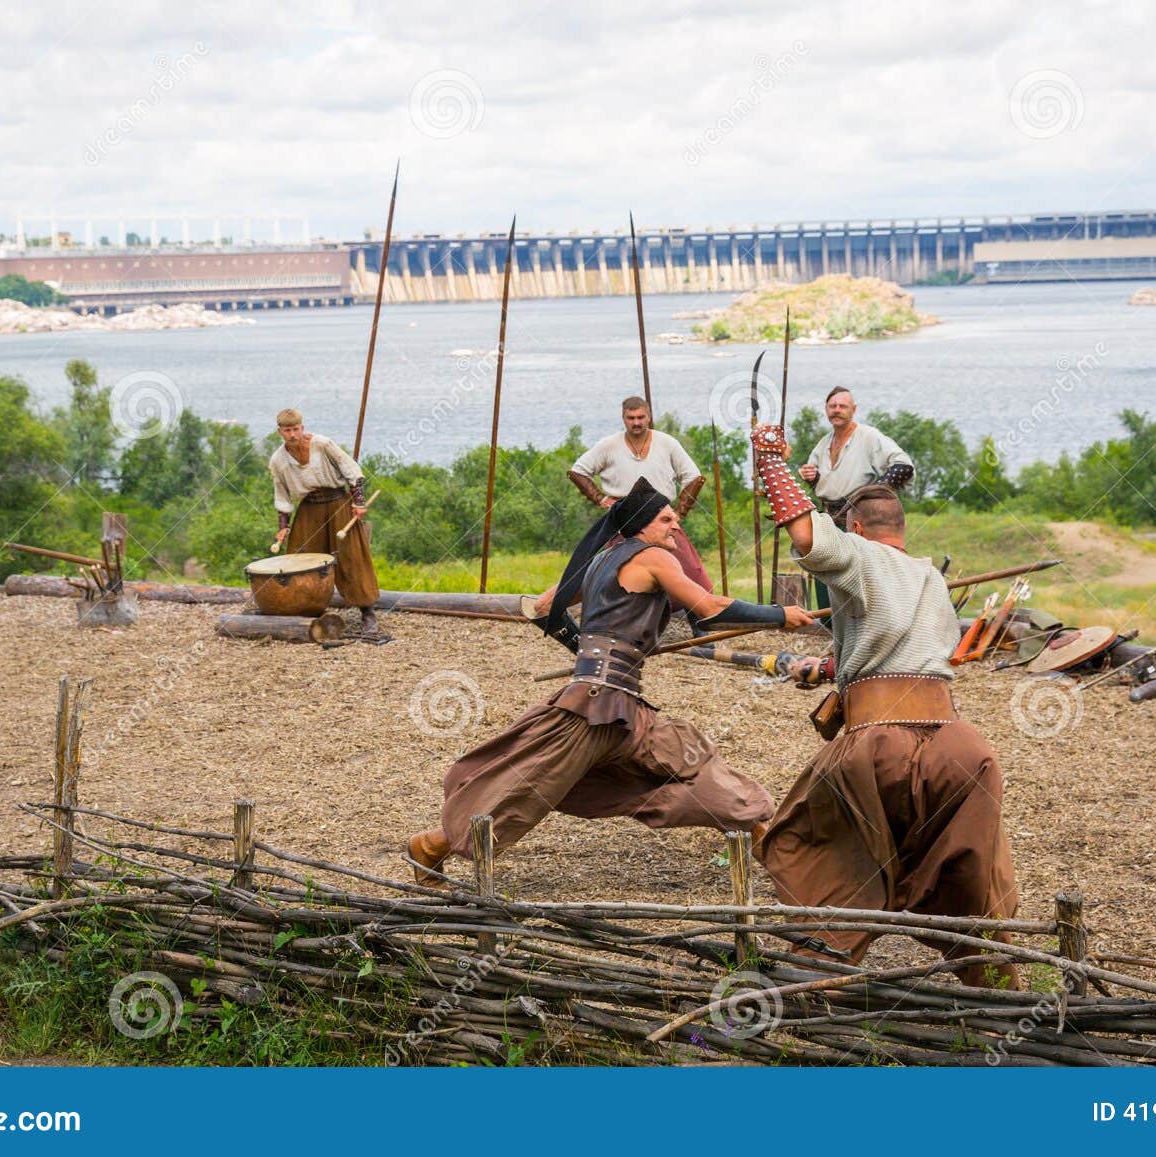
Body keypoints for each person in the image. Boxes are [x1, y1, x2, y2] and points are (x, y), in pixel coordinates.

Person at [407, 478, 814, 884]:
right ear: (643, 525)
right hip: (598, 707)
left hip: (616, 704)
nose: (676, 526)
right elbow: (709, 607)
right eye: (666, 518)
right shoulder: (653, 557)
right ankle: (431, 846)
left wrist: (593, 649)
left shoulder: (602, 560)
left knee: (688, 758)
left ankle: (766, 839)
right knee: (527, 785)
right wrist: (779, 615)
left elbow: (544, 608)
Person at [748, 423, 1021, 989]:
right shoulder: (929, 577)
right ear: (901, 528)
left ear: (854, 527)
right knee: (967, 865)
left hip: (880, 741)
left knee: (801, 837)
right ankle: (992, 981)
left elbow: (804, 535)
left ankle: (820, 965)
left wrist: (771, 459)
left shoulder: (859, 556)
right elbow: (901, 647)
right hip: (959, 745)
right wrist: (827, 669)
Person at [569, 396, 713, 594]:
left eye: (640, 417)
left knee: (691, 571)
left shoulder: (667, 443)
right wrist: (600, 498)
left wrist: (679, 512)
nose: (636, 422)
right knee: (612, 572)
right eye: (631, 418)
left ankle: (701, 618)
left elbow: (695, 477)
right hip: (624, 519)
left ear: (649, 416)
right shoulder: (608, 445)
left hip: (661, 515)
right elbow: (577, 472)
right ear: (623, 417)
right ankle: (609, 616)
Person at [797, 387, 915, 610]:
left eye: (842, 406)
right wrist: (812, 477)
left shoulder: (869, 437)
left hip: (860, 522)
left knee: (860, 578)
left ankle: (865, 626)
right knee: (826, 574)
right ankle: (830, 627)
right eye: (833, 406)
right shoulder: (824, 443)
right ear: (826, 410)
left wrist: (872, 494)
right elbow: (823, 483)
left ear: (853, 409)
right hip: (828, 521)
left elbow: (903, 466)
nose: (837, 410)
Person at [268, 408, 380, 635]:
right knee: (302, 560)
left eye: (296, 429)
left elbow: (352, 471)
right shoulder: (278, 460)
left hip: (338, 504)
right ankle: (308, 611)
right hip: (308, 510)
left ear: (302, 427)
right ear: (280, 432)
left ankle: (368, 613)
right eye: (287, 430)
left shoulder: (322, 444)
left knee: (352, 556)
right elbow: (282, 495)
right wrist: (283, 527)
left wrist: (358, 502)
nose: (293, 435)